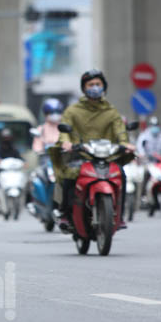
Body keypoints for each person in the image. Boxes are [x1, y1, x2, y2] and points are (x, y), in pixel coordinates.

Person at [56, 69, 134, 232]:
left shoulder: (111, 112)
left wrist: (126, 144)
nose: (95, 87)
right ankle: (65, 212)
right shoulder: (72, 111)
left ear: (104, 87)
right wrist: (66, 143)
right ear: (84, 88)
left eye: (98, 84)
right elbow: (64, 132)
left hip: (106, 156)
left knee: (121, 173)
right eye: (91, 84)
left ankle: (119, 216)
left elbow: (120, 131)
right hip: (81, 156)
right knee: (70, 174)